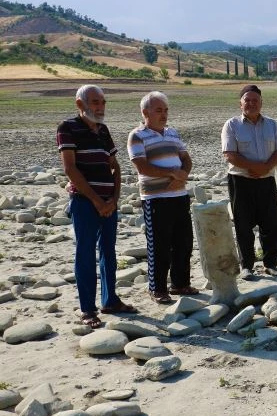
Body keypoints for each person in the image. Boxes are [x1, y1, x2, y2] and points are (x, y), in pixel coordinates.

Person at [57, 84, 137, 328]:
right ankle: (88, 310)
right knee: (85, 253)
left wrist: (114, 198)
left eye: (103, 102)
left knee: (109, 252)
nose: (100, 107)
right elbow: (70, 168)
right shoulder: (67, 127)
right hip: (84, 202)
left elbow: (115, 166)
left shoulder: (103, 130)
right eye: (95, 102)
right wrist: (96, 200)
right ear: (79, 104)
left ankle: (110, 300)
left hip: (108, 203)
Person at [128, 91, 198, 304]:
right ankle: (157, 288)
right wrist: (172, 174)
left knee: (183, 242)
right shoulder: (137, 135)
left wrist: (182, 175)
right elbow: (142, 166)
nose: (164, 114)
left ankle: (180, 284)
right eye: (158, 110)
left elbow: (186, 159)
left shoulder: (173, 133)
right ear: (145, 112)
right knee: (159, 246)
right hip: (155, 198)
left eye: (166, 110)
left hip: (179, 195)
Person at [221, 84, 277, 280]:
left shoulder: (272, 125)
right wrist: (255, 167)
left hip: (266, 181)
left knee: (271, 224)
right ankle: (246, 266)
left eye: (255, 100)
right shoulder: (231, 125)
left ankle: (271, 264)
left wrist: (266, 168)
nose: (251, 104)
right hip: (241, 181)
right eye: (247, 100)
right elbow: (229, 154)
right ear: (240, 104)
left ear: (261, 103)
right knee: (243, 225)